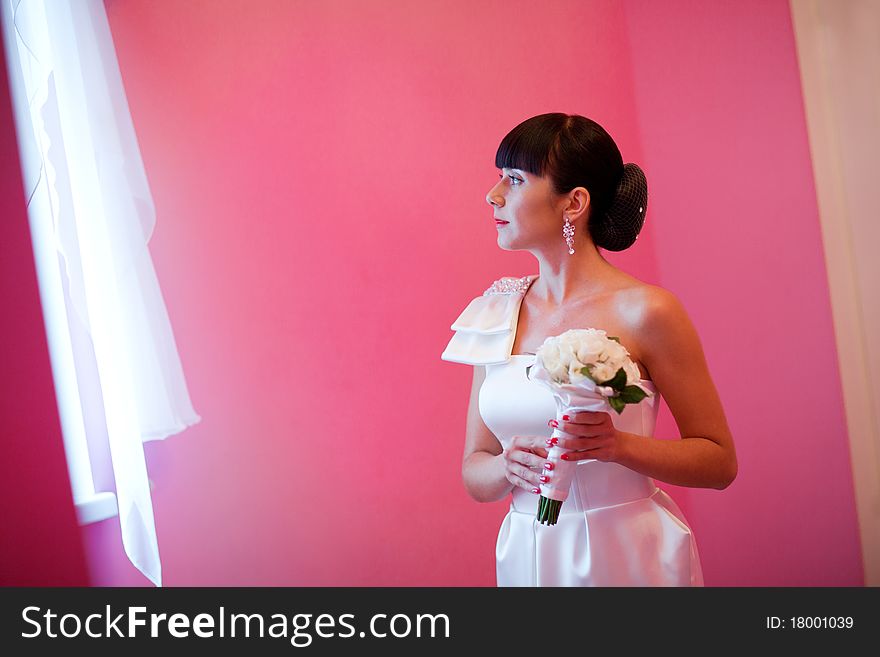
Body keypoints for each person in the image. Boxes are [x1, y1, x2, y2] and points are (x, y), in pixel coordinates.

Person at [441, 113, 737, 586]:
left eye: (514, 179)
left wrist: (619, 446)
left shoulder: (648, 311)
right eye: (499, 178)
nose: (493, 195)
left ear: (574, 202)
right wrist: (505, 467)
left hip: (626, 552)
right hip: (526, 555)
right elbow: (474, 469)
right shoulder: (495, 312)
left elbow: (719, 462)